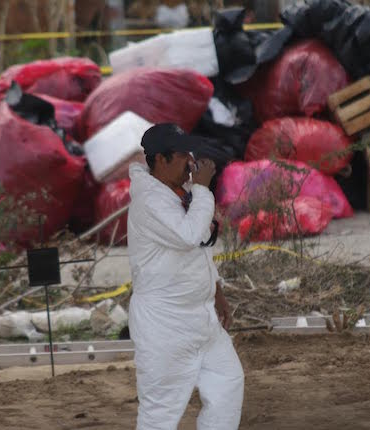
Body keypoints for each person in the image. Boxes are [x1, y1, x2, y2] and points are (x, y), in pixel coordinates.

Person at [127, 123, 245, 430]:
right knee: (160, 414)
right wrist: (204, 189)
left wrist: (216, 291)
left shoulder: (182, 193)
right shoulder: (148, 201)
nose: (191, 163)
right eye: (182, 156)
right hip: (165, 325)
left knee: (227, 383)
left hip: (201, 319)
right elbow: (189, 235)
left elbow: (200, 249)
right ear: (161, 160)